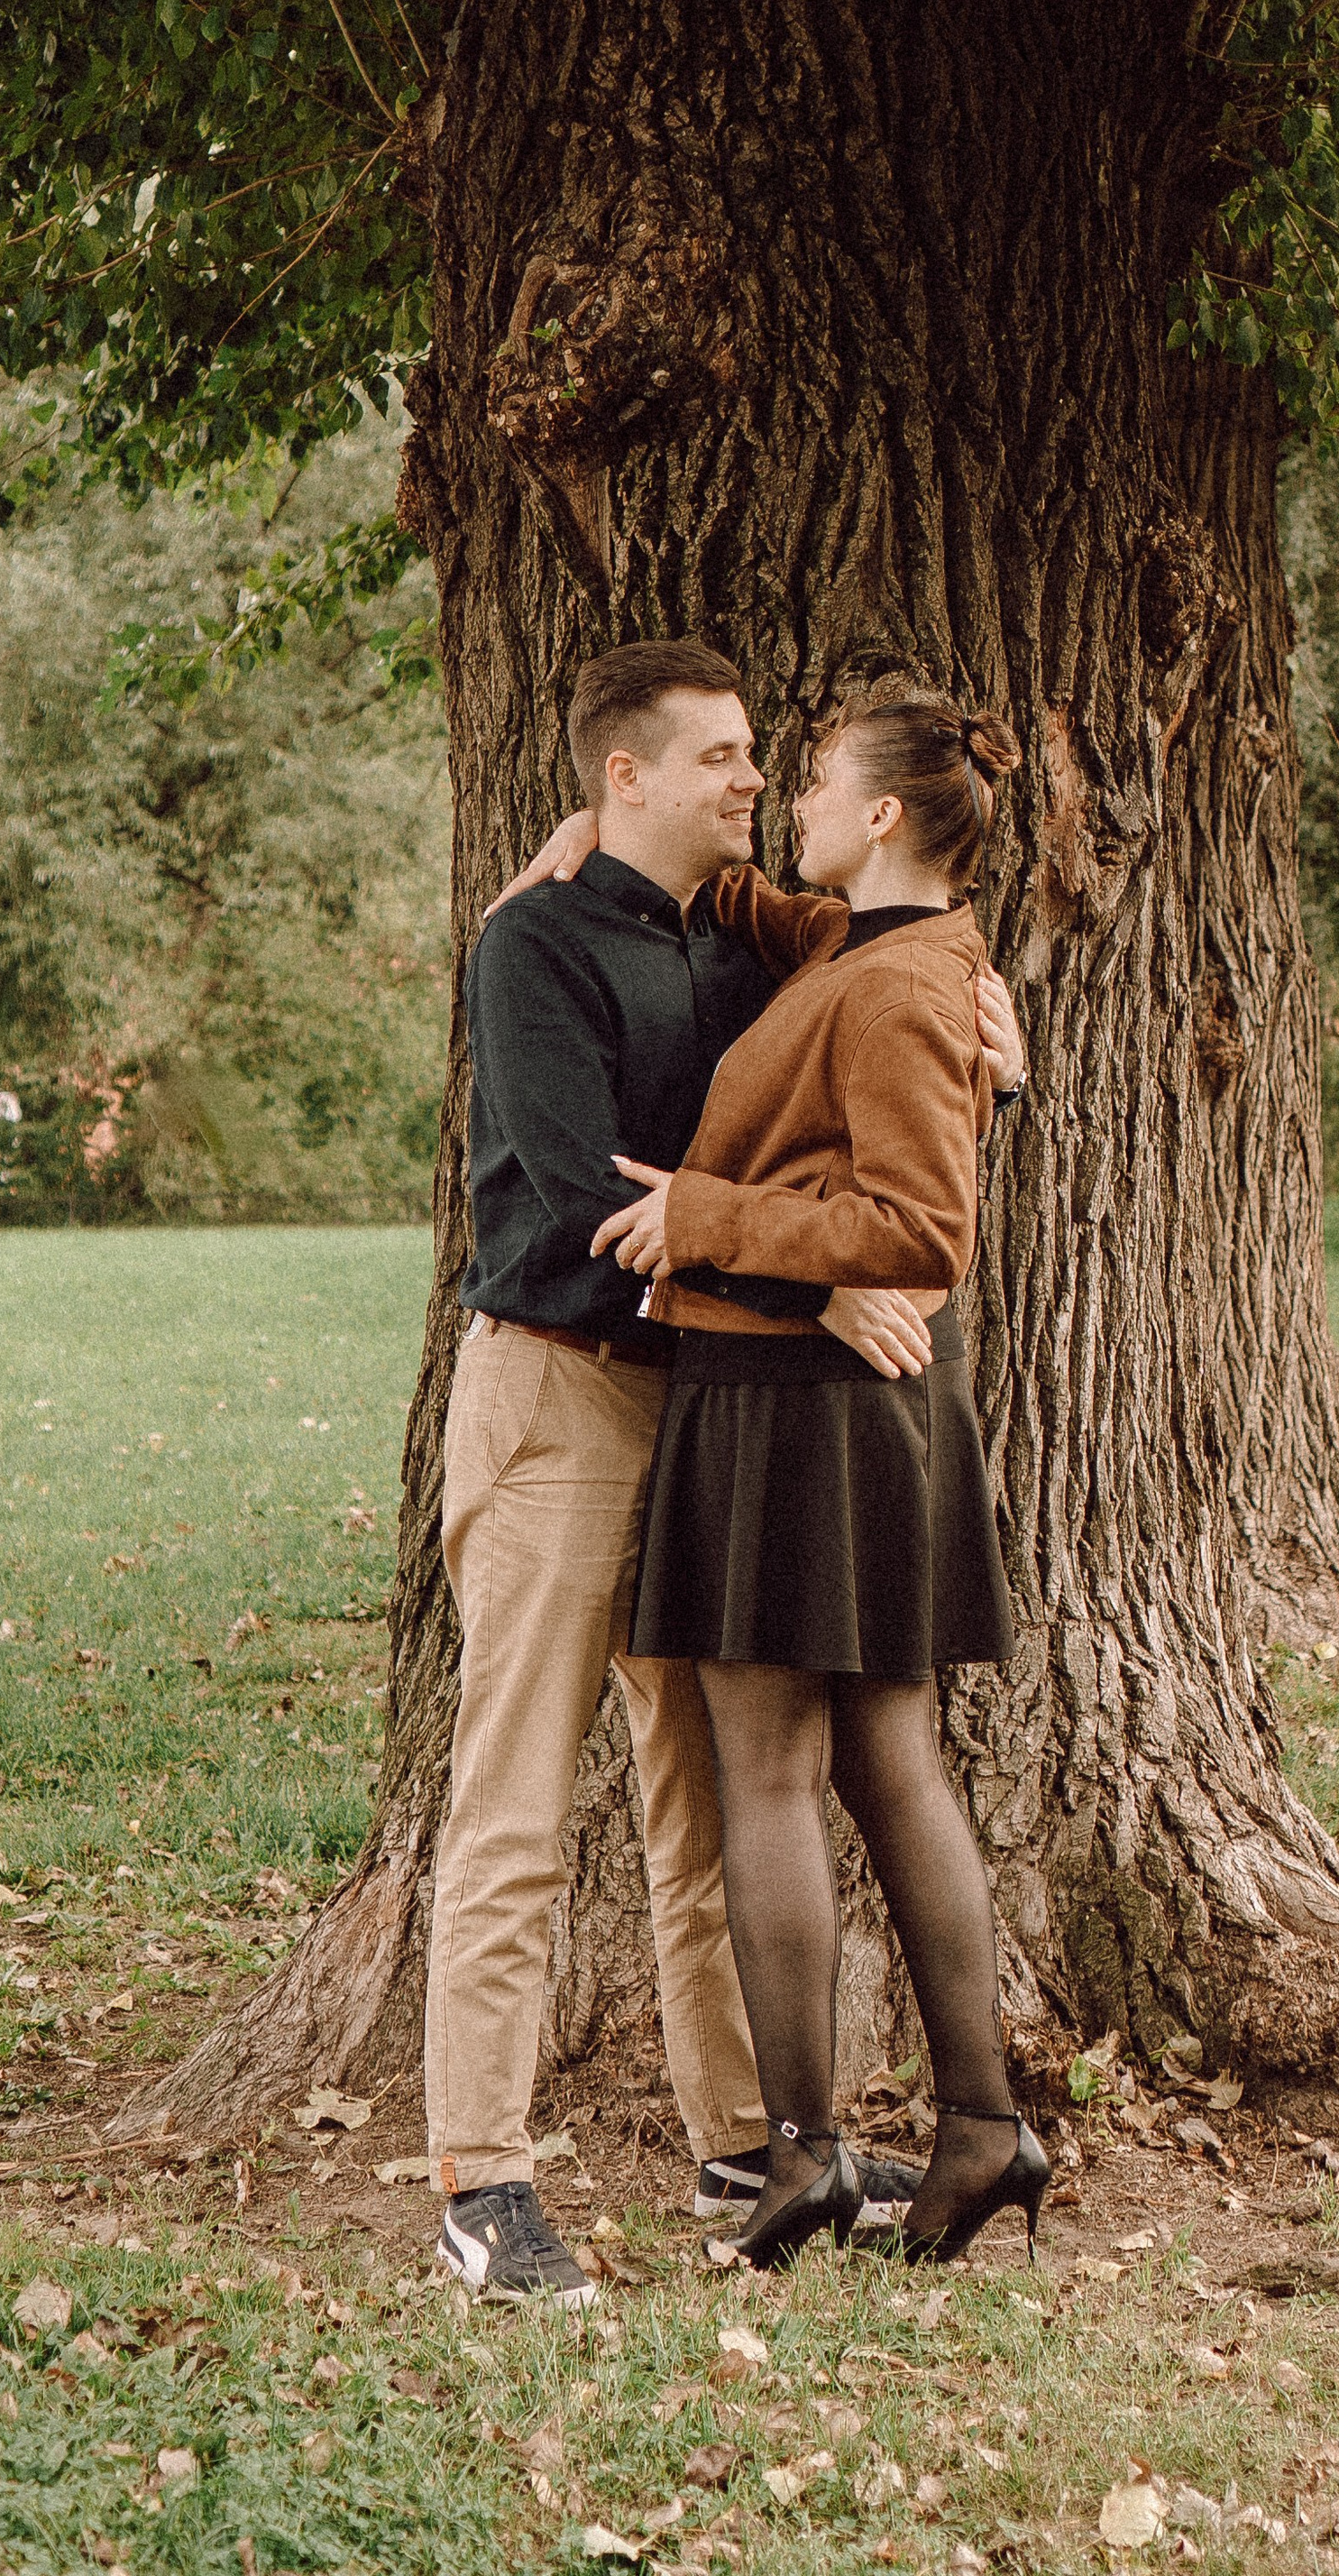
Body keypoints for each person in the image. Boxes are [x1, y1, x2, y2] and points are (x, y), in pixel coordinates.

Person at [428, 640, 1024, 2310]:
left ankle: (756, 2144)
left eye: (770, 758)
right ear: (625, 778)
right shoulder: (535, 945)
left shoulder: (766, 941)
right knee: (518, 1806)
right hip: (560, 1401)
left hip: (712, 1411)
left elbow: (868, 1067)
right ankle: (481, 2180)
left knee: (707, 1806)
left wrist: (991, 1030)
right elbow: (574, 1195)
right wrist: (812, 1276)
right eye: (721, 758)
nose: (755, 782)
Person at [591, 690, 1050, 2271]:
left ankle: (809, 2155)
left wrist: (710, 1218)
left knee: (780, 1770)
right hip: (815, 1403)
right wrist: (599, 836)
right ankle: (976, 2129)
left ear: (884, 820)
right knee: (877, 1761)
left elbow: (924, 1236)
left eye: (817, 784)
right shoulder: (863, 946)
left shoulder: (910, 983)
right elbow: (756, 898)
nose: (784, 797)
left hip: (804, 1406)